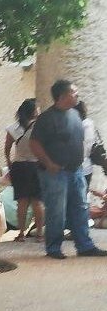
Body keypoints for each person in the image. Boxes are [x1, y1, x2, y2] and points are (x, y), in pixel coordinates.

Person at [29, 80, 107, 259]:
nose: (77, 94)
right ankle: (54, 248)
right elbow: (34, 143)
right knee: (57, 210)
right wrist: (48, 163)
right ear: (62, 96)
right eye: (74, 92)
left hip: (76, 171)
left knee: (80, 208)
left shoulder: (75, 115)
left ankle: (85, 246)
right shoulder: (47, 118)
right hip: (55, 173)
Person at [4, 98, 45, 242]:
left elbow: (7, 148)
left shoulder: (13, 128)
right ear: (33, 110)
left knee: (21, 201)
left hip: (19, 166)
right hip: (36, 165)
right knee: (37, 201)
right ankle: (39, 234)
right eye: (38, 108)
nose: (40, 110)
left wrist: (9, 162)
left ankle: (21, 233)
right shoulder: (40, 127)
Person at [75, 101, 96, 187]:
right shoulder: (90, 123)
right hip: (88, 167)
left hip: (78, 168)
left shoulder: (76, 126)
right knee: (84, 193)